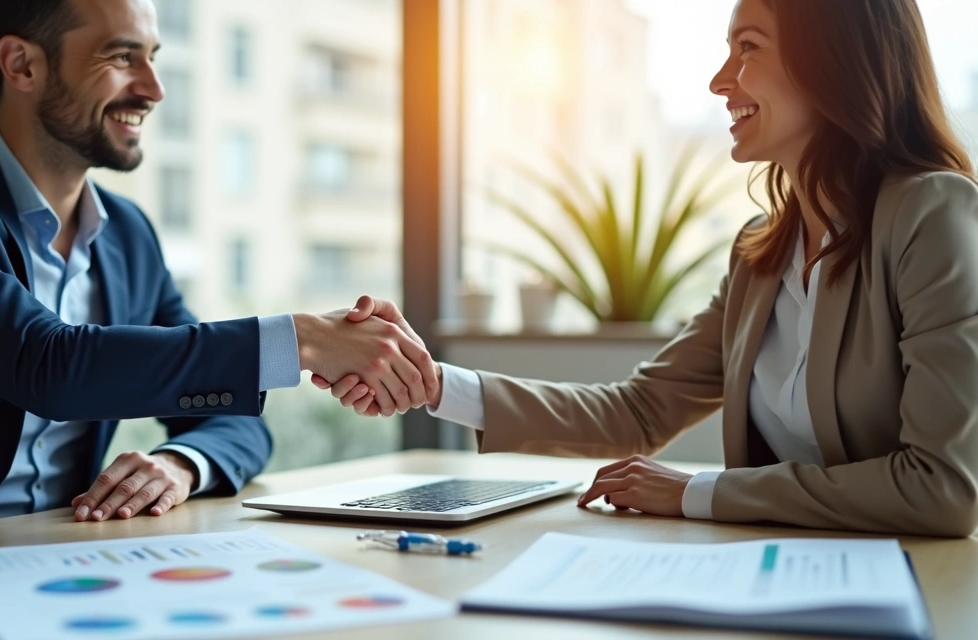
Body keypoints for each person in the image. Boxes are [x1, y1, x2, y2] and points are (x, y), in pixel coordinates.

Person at [0, 0, 438, 555]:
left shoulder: (129, 237)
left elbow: (237, 418)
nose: (153, 88)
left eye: (153, 56)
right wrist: (304, 339)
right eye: (121, 58)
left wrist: (182, 465)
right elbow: (45, 363)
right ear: (20, 63)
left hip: (43, 563)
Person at [320, 0, 978, 537]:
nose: (721, 81)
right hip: (774, 578)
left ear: (834, 64)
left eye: (747, 47)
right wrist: (436, 385)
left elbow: (941, 486)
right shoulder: (760, 252)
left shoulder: (930, 214)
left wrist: (700, 491)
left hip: (911, 590)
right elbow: (638, 411)